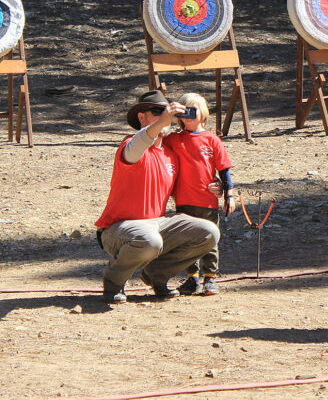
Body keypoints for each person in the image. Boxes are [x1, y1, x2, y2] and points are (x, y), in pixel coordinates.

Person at [95, 90, 221, 304]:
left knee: (209, 232)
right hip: (118, 229)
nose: (166, 117)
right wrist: (161, 122)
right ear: (141, 118)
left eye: (167, 112)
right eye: (156, 112)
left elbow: (191, 183)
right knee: (149, 240)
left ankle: (156, 275)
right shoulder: (131, 146)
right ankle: (113, 282)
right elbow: (140, 141)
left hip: (157, 224)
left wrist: (216, 186)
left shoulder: (171, 154)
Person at [164, 92, 235, 296]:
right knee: (187, 241)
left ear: (203, 113)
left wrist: (228, 194)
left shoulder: (212, 140)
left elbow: (224, 169)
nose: (188, 116)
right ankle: (192, 278)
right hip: (184, 201)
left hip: (207, 200)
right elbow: (157, 139)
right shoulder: (175, 139)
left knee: (210, 240)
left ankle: (210, 278)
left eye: (192, 111)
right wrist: (169, 116)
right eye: (184, 112)